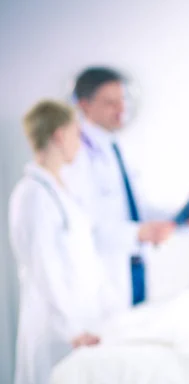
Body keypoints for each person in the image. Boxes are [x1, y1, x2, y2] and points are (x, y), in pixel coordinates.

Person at [62, 67, 189, 310]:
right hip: (104, 273)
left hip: (134, 265)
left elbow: (135, 205)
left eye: (123, 100)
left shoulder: (118, 147)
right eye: (110, 103)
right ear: (84, 105)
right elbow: (85, 227)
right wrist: (138, 233)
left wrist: (177, 218)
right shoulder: (78, 156)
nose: (121, 109)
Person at [9, 100, 118, 384]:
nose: (80, 144)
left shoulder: (60, 189)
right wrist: (71, 330)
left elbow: (83, 259)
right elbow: (44, 269)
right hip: (56, 330)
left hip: (81, 322)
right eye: (77, 134)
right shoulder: (32, 195)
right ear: (59, 136)